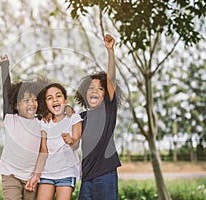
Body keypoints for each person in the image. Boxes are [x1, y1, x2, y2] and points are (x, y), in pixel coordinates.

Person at [74, 34, 121, 200]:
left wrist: (110, 51)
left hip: (105, 175)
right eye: (91, 88)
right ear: (84, 93)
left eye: (100, 89)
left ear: (105, 94)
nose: (94, 90)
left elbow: (111, 79)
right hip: (86, 177)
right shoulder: (81, 117)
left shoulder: (107, 111)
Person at [0, 54, 45, 200]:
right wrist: (5, 66)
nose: (31, 103)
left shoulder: (41, 122)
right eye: (26, 100)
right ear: (16, 105)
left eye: (34, 99)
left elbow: (55, 110)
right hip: (11, 175)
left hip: (32, 177)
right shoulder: (11, 119)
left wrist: (67, 110)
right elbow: (6, 92)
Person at [30, 82, 82, 200]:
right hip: (47, 172)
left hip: (67, 172)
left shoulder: (74, 117)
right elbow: (44, 150)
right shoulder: (44, 122)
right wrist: (36, 174)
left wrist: (71, 140)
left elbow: (76, 144)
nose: (54, 100)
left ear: (65, 100)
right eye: (50, 98)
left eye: (58, 96)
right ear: (46, 103)